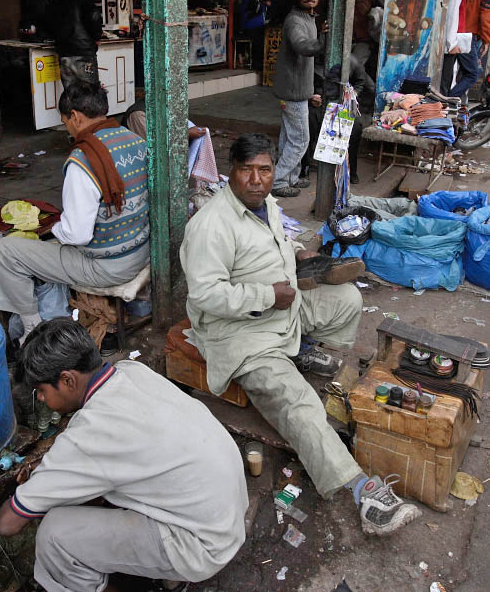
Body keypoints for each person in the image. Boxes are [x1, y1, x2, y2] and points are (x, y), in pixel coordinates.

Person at [180, 133, 421, 536]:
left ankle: (301, 348)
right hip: (242, 336)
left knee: (347, 299)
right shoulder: (210, 225)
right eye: (246, 170)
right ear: (232, 173)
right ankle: (362, 492)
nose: (256, 180)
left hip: (281, 311)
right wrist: (265, 294)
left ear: (274, 172)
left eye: (264, 170)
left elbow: (277, 239)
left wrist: (297, 253)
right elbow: (205, 295)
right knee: (301, 403)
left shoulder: (266, 205)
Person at [0, 318, 248, 592]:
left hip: (203, 544)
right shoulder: (130, 371)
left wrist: (19, 499)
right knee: (115, 488)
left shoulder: (90, 434)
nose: (43, 400)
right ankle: (169, 575)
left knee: (54, 535)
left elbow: (9, 524)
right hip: (227, 512)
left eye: (41, 391)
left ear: (68, 379)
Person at [0, 82, 150, 344]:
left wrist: (56, 229)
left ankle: (32, 328)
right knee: (50, 244)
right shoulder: (134, 139)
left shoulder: (81, 161)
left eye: (65, 122)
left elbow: (77, 234)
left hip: (107, 267)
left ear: (75, 116)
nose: (68, 129)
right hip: (141, 251)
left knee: (5, 251)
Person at [272, 0, 327, 198]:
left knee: (289, 138)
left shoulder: (308, 18)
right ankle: (277, 181)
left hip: (297, 90)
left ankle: (290, 178)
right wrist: (322, 41)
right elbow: (302, 46)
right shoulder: (295, 20)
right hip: (293, 92)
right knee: (300, 139)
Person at [301, 55, 376, 185]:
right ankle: (305, 168)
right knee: (308, 121)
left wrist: (350, 97)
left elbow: (361, 83)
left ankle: (352, 171)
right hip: (319, 105)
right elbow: (302, 86)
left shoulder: (352, 62)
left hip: (343, 104)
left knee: (355, 127)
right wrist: (311, 96)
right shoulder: (310, 61)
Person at [47, 0, 103, 90]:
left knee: (71, 94)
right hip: (83, 52)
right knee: (89, 93)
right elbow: (95, 15)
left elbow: (48, 26)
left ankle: (72, 108)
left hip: (64, 54)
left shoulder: (53, 5)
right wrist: (96, 36)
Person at [441, 0, 478, 103]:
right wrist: (452, 43)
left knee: (449, 76)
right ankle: (446, 102)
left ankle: (446, 101)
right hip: (453, 40)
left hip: (455, 38)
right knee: (446, 78)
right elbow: (452, 16)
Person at [352, 0, 384, 76]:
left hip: (366, 40)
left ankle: (370, 89)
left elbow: (384, 13)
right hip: (348, 39)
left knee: (356, 65)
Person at [240, 0, 270, 69]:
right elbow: (250, 12)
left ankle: (260, 63)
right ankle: (256, 64)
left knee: (261, 44)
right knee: (256, 45)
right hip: (251, 26)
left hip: (260, 25)